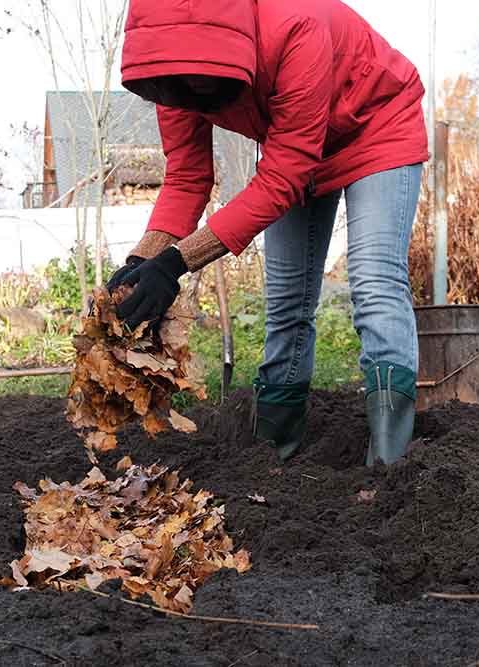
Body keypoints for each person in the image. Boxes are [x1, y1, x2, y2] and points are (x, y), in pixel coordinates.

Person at [108, 0, 429, 466]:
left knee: (374, 282)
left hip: (376, 129)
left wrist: (176, 263)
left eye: (201, 86)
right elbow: (186, 177)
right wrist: (142, 263)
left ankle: (388, 461)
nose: (194, 98)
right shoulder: (173, 73)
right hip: (293, 144)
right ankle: (273, 454)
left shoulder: (296, 25)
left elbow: (283, 178)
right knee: (285, 300)